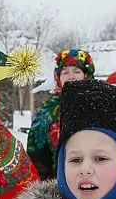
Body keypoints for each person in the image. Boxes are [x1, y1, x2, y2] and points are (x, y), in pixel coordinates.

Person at [26, 49, 95, 180]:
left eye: (77, 71)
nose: (71, 76)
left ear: (87, 74)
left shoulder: (99, 104)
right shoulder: (49, 110)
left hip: (97, 180)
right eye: (65, 72)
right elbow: (37, 154)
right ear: (58, 76)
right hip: (59, 184)